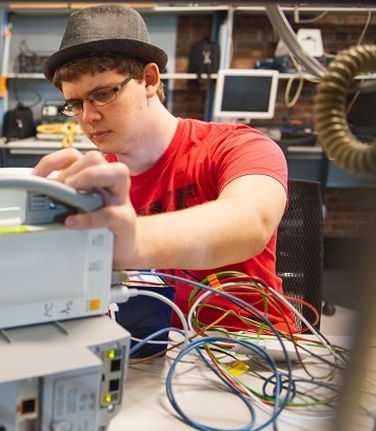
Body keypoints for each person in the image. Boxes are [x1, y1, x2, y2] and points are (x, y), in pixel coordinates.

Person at [31, 5, 290, 330]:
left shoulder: (236, 147)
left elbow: (252, 222)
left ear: (149, 80)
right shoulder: (98, 182)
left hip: (255, 355)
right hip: (154, 353)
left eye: (102, 94)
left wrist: (134, 243)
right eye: (76, 103)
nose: (88, 117)